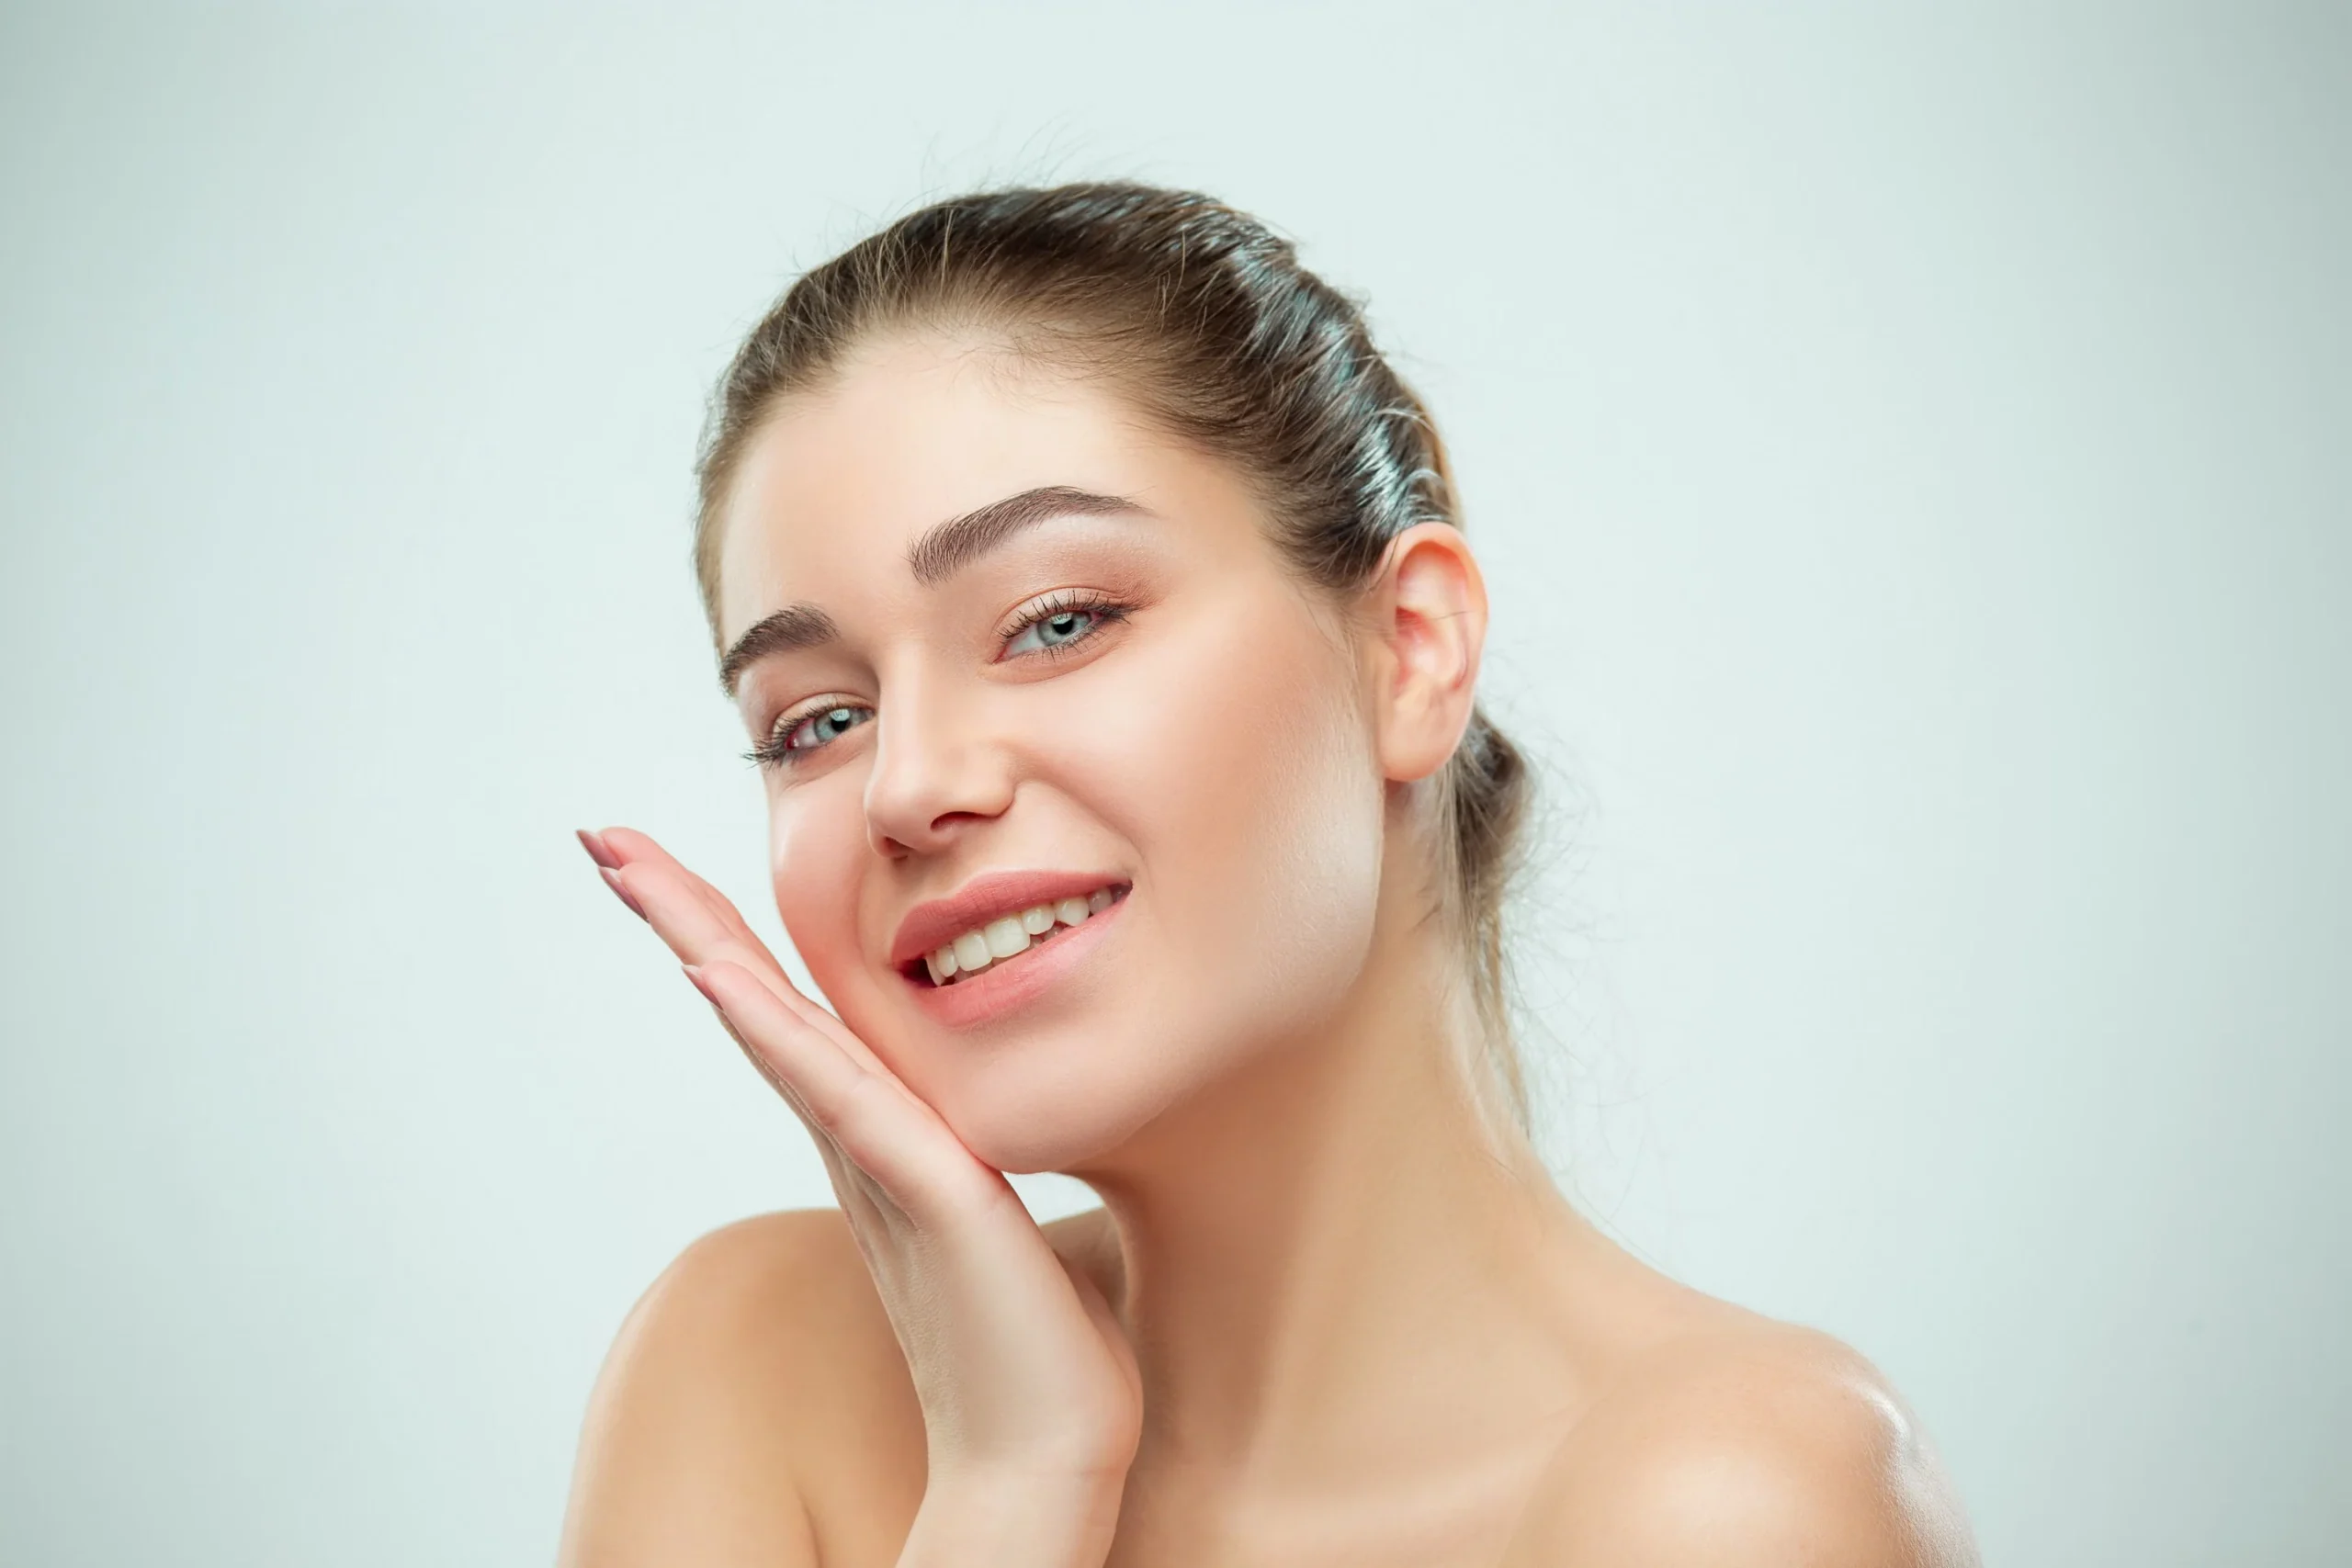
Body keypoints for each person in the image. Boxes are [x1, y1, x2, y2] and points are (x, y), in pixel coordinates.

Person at [555, 182, 1978, 1567]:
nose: (909, 783)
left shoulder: (1728, 1502)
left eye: (1056, 623)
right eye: (819, 720)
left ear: (1409, 649)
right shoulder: (756, 1376)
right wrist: (1013, 1485)